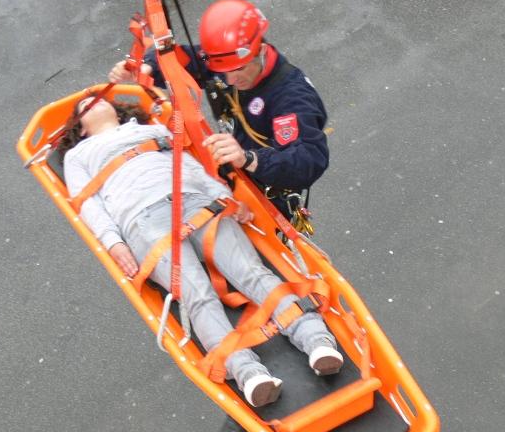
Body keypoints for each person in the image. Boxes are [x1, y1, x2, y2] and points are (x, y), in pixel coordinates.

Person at [60, 95, 344, 409]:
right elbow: (87, 203)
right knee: (198, 295)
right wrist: (113, 242)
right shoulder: (78, 155)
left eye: (97, 99)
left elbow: (190, 166)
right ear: (81, 129)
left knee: (251, 273)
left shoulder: (150, 130)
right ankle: (248, 374)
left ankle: (317, 342)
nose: (93, 103)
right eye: (85, 107)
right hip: (142, 220)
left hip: (195, 200)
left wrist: (226, 198)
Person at [109, 0, 329, 228]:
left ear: (261, 51)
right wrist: (147, 67)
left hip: (268, 192)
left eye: (239, 70)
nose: (231, 79)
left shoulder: (292, 99)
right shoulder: (229, 58)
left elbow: (308, 160)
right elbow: (187, 60)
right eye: (223, 71)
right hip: (233, 173)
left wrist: (250, 159)